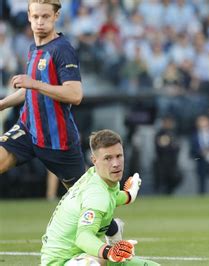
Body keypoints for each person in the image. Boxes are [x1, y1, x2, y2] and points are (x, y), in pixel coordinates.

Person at [0, 0, 122, 246]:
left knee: (85, 200)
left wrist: (33, 83)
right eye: (35, 17)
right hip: (27, 129)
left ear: (56, 16)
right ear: (28, 16)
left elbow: (75, 94)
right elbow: (30, 92)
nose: (40, 22)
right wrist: (2, 104)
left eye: (45, 17)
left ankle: (113, 227)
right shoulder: (33, 48)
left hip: (58, 140)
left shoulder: (62, 49)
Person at [41, 129, 160, 265]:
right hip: (62, 262)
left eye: (119, 156)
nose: (115, 163)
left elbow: (113, 197)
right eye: (108, 158)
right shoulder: (96, 194)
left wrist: (129, 195)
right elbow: (83, 237)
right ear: (94, 160)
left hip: (81, 255)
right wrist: (110, 251)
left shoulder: (99, 176)